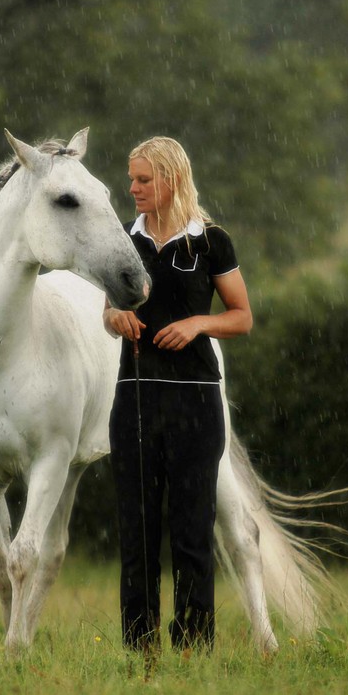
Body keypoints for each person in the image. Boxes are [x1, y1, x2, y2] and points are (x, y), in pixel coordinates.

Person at [103, 137, 253, 652]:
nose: (133, 188)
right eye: (132, 179)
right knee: (137, 536)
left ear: (171, 179)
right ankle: (139, 649)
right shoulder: (123, 238)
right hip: (136, 401)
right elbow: (108, 310)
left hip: (195, 402)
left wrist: (196, 325)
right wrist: (115, 316)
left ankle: (192, 648)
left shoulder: (210, 242)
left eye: (144, 179)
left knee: (192, 534)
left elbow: (241, 316)